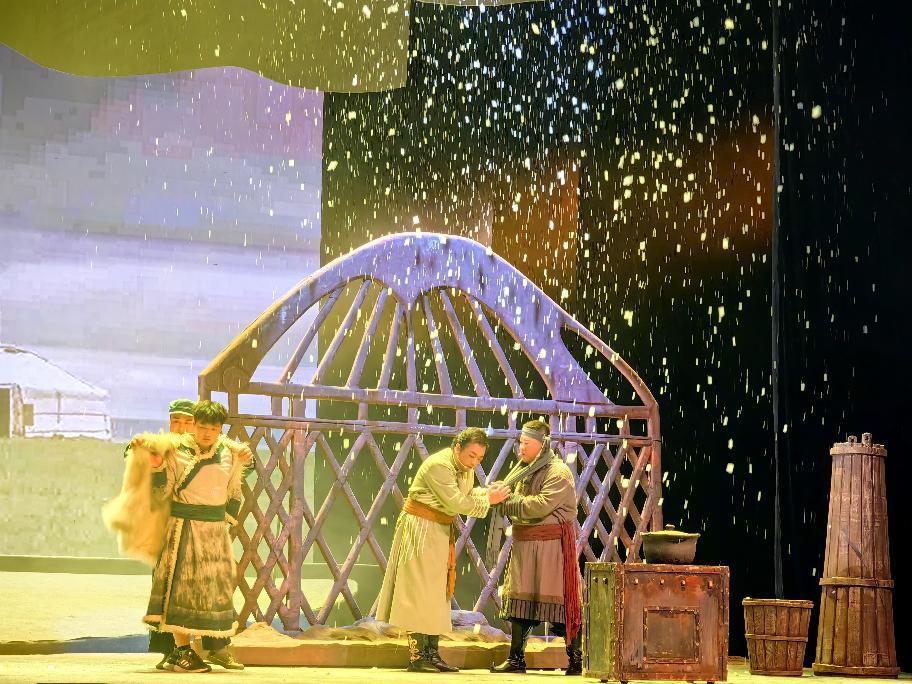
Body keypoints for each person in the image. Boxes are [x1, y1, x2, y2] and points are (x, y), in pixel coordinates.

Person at [107, 400, 250, 673]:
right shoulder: (172, 449)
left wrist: (242, 460)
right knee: (177, 588)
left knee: (212, 588)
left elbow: (234, 483)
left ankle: (217, 648)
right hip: (179, 526)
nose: (205, 432)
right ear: (194, 425)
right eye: (201, 426)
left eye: (213, 428)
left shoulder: (227, 452)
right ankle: (178, 651)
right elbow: (158, 484)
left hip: (213, 531)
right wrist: (151, 459)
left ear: (219, 429)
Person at [375, 428, 510, 673]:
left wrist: (488, 493)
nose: (475, 462)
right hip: (421, 528)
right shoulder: (438, 465)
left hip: (438, 530)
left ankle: (431, 654)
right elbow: (456, 502)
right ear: (457, 448)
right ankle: (418, 657)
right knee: (419, 592)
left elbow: (467, 494)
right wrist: (489, 500)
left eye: (479, 458)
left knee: (436, 594)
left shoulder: (464, 468)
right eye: (471, 456)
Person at [490, 420, 583, 676]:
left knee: (558, 605)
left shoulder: (558, 472)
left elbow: (539, 506)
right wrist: (502, 497)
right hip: (526, 546)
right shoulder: (524, 470)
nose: (521, 448)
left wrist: (506, 500)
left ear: (542, 445)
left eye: (526, 443)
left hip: (551, 549)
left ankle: (576, 660)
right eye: (520, 442)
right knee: (521, 604)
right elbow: (521, 504)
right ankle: (516, 659)